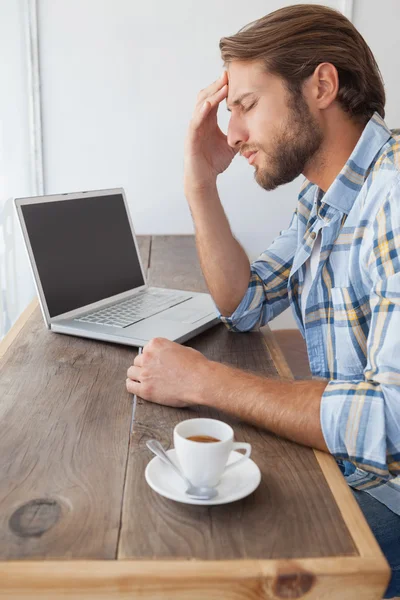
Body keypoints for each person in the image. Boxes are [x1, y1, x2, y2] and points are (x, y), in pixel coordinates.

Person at [126, 5, 400, 596]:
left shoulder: (393, 200)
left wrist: (206, 382)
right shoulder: (323, 200)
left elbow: (389, 421)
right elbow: (244, 301)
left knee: (210, 565)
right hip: (353, 468)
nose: (232, 133)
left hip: (390, 494)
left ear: (322, 86)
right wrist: (200, 181)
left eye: (247, 105)